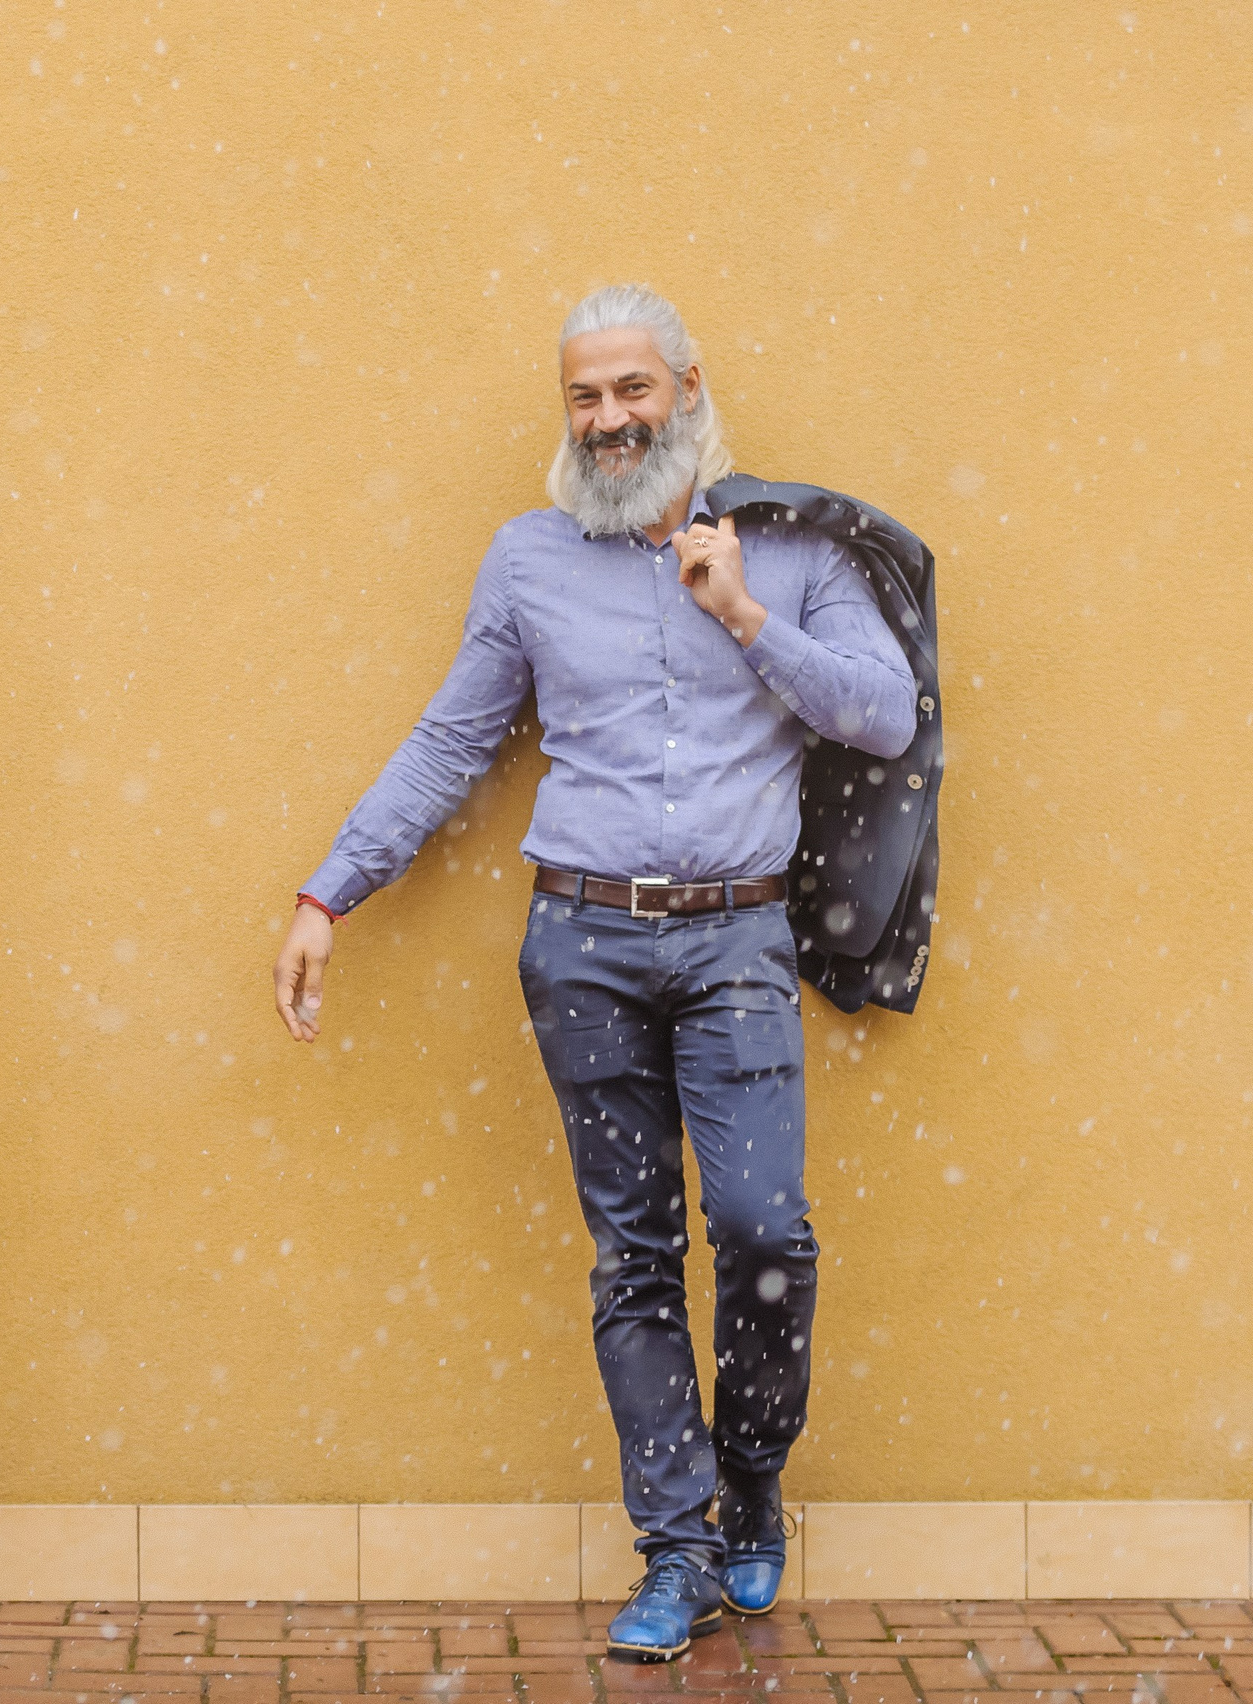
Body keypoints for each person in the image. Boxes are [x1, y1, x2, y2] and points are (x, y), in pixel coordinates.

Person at [272, 285, 918, 1659]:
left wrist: (744, 613)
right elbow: (453, 742)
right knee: (633, 1258)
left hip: (739, 938)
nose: (610, 419)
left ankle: (750, 1477)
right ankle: (676, 1548)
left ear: (686, 388)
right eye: (585, 396)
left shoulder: (788, 548)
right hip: (582, 942)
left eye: (633, 390)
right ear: (565, 411)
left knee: (761, 1231)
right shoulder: (526, 559)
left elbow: (881, 711)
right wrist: (333, 888)